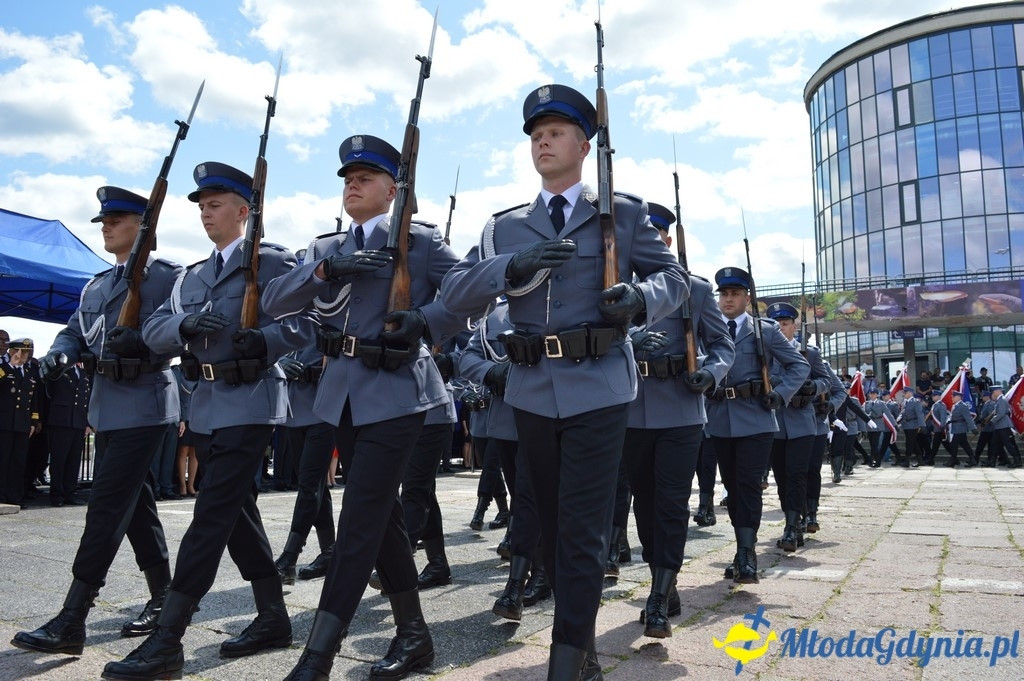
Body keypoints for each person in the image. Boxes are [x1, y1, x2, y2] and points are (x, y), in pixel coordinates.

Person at [439, 84, 688, 677]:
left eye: (554, 133)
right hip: (530, 389)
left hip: (599, 384)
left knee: (581, 526)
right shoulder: (505, 227)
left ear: (583, 144)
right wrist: (509, 268)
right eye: (535, 135)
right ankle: (583, 645)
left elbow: (675, 279)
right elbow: (453, 297)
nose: (542, 142)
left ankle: (567, 656)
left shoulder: (621, 214)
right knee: (549, 525)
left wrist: (640, 297)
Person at [262, 134, 466, 680]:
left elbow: (471, 291)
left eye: (365, 178)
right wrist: (325, 274)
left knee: (358, 521)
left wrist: (428, 321)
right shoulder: (327, 249)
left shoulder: (421, 243)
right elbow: (275, 301)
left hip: (399, 394)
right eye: (348, 178)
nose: (353, 184)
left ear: (391, 190)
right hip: (343, 398)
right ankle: (414, 635)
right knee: (384, 518)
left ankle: (317, 657)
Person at [103, 163, 313, 680]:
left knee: (210, 517)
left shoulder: (271, 261)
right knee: (237, 513)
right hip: (208, 402)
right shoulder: (194, 275)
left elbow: (308, 321)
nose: (205, 213)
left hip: (252, 401)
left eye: (215, 204)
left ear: (244, 211)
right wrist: (183, 324)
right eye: (201, 205)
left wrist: (267, 340)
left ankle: (168, 638)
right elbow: (152, 329)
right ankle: (271, 616)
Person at [11, 188, 182, 662]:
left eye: (118, 220)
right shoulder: (97, 284)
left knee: (106, 508)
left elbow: (180, 330)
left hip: (146, 405)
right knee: (137, 505)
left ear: (144, 226)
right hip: (107, 406)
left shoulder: (168, 278)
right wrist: (61, 353)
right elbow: (74, 328)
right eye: (103, 221)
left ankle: (73, 617)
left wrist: (145, 345)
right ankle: (163, 594)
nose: (106, 227)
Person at [623, 202, 733, 635]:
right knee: (645, 507)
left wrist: (710, 371)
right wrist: (631, 341)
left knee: (670, 504)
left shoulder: (696, 289)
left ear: (666, 242)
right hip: (632, 408)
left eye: (656, 235)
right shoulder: (618, 289)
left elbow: (724, 346)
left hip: (682, 410)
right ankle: (662, 581)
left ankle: (657, 595)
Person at [707, 271, 807, 584]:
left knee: (749, 486)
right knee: (733, 489)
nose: (728, 299)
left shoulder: (765, 331)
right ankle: (741, 550)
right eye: (723, 294)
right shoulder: (707, 328)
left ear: (748, 298)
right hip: (720, 417)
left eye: (735, 293)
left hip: (757, 418)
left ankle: (747, 555)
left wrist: (781, 394)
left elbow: (798, 365)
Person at [764, 302, 830, 553]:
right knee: (781, 477)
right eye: (775, 325)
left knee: (797, 474)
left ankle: (792, 527)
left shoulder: (809, 353)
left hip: (802, 424)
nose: (780, 329)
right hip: (775, 424)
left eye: (785, 324)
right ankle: (794, 518)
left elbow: (826, 380)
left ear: (794, 326)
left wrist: (814, 388)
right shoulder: (765, 354)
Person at [274, 344, 337, 584]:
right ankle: (329, 551)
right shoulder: (291, 319)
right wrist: (279, 366)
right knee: (315, 483)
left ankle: (289, 556)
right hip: (295, 410)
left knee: (309, 486)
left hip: (324, 410)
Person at [0, 338, 41, 507]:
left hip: (22, 425)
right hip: (4, 423)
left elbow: (34, 401)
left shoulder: (30, 374)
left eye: (27, 352)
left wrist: (33, 421)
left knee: (18, 462)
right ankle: (1, 497)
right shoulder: (4, 370)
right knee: (3, 461)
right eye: (22, 351)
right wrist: (11, 364)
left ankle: (15, 497)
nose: (25, 355)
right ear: (12, 351)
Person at [44, 360, 91, 506]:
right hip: (61, 421)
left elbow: (87, 399)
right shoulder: (59, 371)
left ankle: (70, 492)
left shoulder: (84, 374)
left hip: (78, 422)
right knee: (59, 460)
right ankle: (57, 494)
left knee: (73, 461)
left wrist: (87, 423)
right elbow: (49, 388)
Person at [988, 385, 1022, 468]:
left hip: (1004, 426)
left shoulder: (1002, 400)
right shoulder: (999, 400)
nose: (993, 393)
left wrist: (992, 421)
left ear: (997, 391)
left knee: (1009, 444)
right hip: (999, 426)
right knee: (994, 444)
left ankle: (1017, 461)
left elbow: (1001, 413)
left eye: (993, 391)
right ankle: (992, 461)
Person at [947, 390, 977, 467]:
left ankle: (953, 461)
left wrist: (973, 428)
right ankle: (972, 459)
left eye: (953, 396)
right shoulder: (955, 406)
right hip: (955, 428)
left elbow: (968, 418)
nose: (952, 398)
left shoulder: (962, 406)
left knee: (954, 445)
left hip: (960, 429)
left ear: (958, 397)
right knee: (964, 445)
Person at [898, 386, 925, 467]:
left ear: (910, 393)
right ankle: (920, 459)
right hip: (906, 425)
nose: (904, 394)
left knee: (909, 443)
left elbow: (920, 414)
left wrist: (921, 425)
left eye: (906, 393)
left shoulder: (915, 402)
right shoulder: (905, 402)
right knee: (913, 443)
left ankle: (907, 460)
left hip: (913, 425)